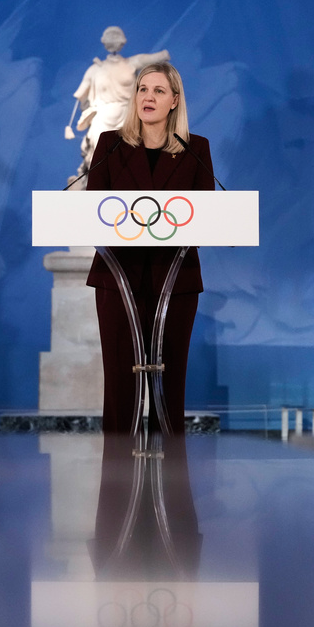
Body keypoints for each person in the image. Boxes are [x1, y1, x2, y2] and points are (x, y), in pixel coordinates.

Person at [85, 62, 215, 434]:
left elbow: (205, 216)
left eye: (158, 91)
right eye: (143, 89)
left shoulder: (196, 149)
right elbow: (92, 210)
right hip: (118, 280)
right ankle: (117, 483)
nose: (148, 97)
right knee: (120, 387)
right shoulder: (110, 145)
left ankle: (169, 485)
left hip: (176, 281)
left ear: (174, 100)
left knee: (168, 387)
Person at [66, 26, 169, 187]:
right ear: (122, 43)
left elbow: (82, 98)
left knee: (107, 156)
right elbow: (151, 58)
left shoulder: (95, 70)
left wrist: (85, 112)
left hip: (114, 117)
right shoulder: (128, 64)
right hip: (121, 117)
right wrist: (163, 55)